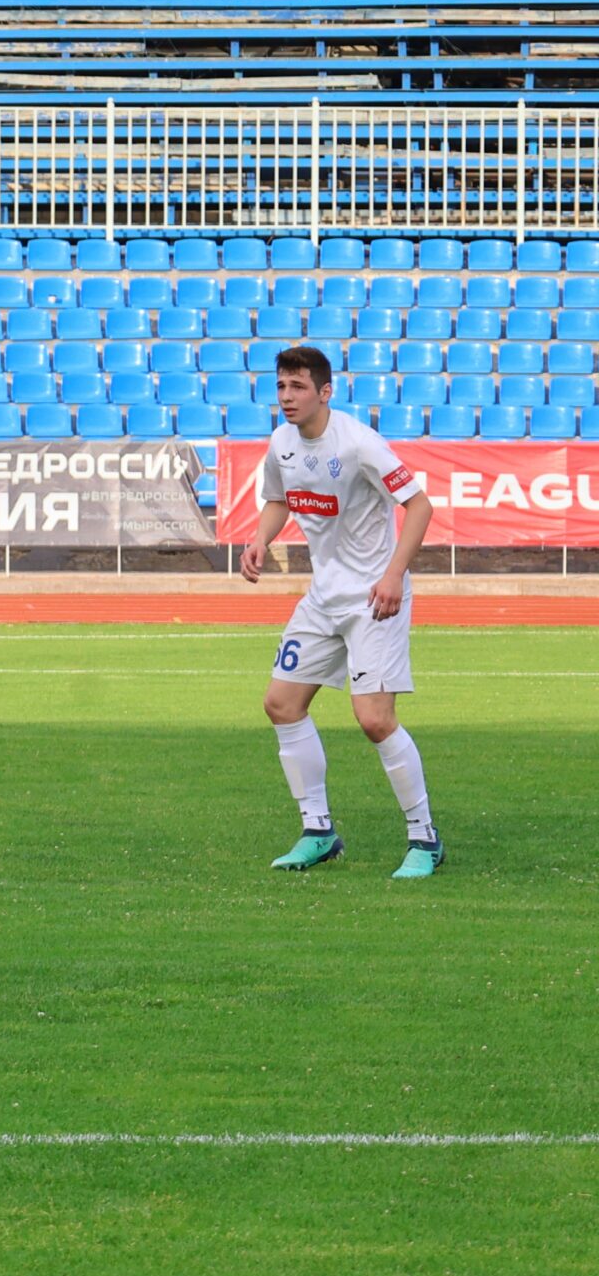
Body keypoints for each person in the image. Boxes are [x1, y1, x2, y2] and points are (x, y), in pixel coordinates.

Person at [241, 345, 443, 878]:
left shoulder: (358, 443)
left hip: (373, 598)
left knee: (374, 719)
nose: (287, 397)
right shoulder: (282, 443)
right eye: (281, 386)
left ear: (324, 392)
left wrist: (394, 573)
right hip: (323, 596)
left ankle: (425, 839)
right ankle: (319, 831)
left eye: (298, 387)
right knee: (281, 703)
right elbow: (279, 499)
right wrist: (260, 539)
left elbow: (419, 506)